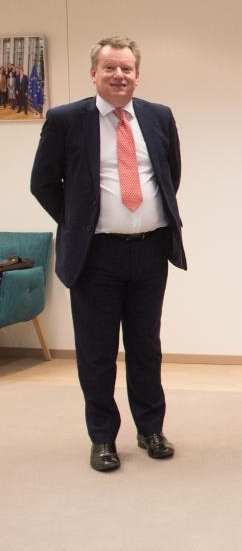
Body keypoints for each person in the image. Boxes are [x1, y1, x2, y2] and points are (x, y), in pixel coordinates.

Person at [30, 36, 187, 472]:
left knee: (145, 346)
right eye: (110, 68)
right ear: (93, 73)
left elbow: (170, 174)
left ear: (137, 74)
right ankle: (102, 438)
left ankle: (151, 429)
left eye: (127, 69)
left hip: (150, 251)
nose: (119, 76)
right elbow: (43, 182)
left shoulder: (158, 116)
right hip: (94, 256)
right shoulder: (65, 120)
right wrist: (80, 222)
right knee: (97, 351)